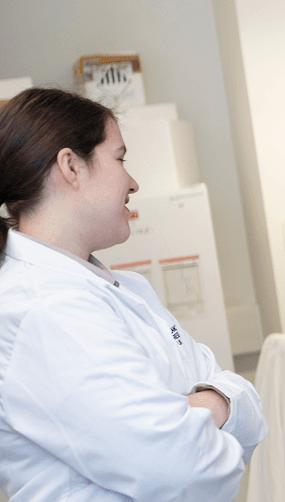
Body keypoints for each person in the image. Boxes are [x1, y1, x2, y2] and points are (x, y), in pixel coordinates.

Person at [0, 88, 268, 500]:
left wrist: (207, 406)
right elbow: (186, 470)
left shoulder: (126, 289)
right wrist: (216, 406)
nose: (133, 181)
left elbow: (250, 411)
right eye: (119, 158)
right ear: (71, 166)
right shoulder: (45, 309)